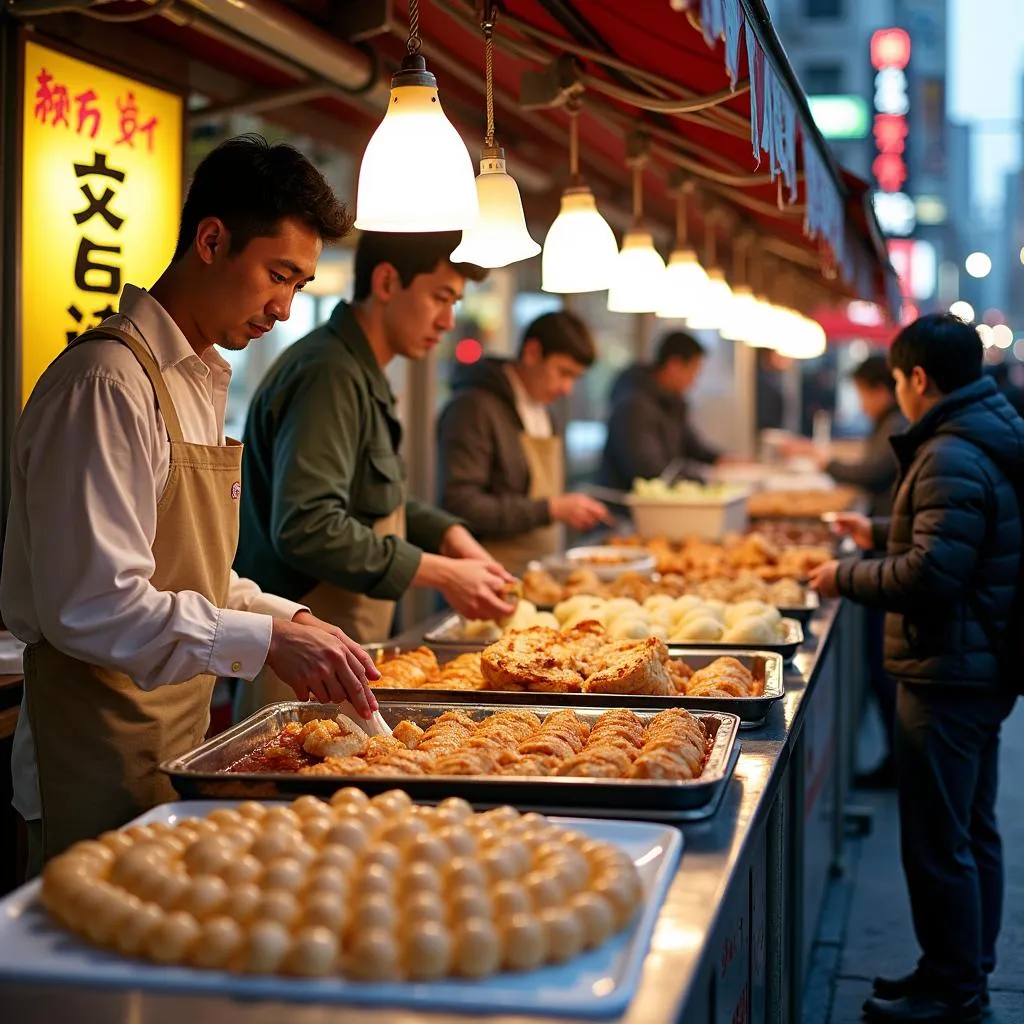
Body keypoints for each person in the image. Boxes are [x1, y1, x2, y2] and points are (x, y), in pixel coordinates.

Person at [1, 135, 380, 874]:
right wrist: (266, 644)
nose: (284, 306)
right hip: (95, 750)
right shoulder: (106, 385)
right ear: (211, 239)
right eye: (278, 275)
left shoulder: (198, 380)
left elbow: (197, 576)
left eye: (301, 285)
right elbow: (94, 605)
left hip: (177, 745)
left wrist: (290, 620)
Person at [810, 313, 1024, 1024]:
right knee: (969, 829)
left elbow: (933, 574)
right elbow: (954, 538)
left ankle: (955, 990)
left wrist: (846, 576)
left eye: (898, 379)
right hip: (972, 661)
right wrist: (873, 532)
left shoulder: (952, 450)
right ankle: (956, 968)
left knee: (941, 840)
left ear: (918, 379)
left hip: (950, 668)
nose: (898, 390)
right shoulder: (973, 434)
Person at [233, 231, 516, 717]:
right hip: (301, 672)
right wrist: (444, 574)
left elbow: (378, 498)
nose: (448, 321)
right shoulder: (330, 373)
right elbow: (309, 526)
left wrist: (450, 535)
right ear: (386, 282)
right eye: (439, 297)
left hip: (338, 664)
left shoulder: (357, 370)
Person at [436, 311, 610, 575]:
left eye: (575, 377)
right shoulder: (473, 407)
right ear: (532, 352)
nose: (567, 389)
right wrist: (550, 509)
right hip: (485, 577)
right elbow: (461, 504)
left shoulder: (545, 412)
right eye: (563, 372)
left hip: (538, 575)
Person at [783, 354, 907, 517]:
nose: (862, 406)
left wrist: (828, 464)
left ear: (880, 391)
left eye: (862, 395)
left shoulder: (896, 423)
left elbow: (874, 473)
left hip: (886, 518)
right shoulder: (888, 422)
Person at [598, 330, 721, 492]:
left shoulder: (674, 402)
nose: (694, 381)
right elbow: (648, 471)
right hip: (626, 508)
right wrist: (702, 480)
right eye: (693, 372)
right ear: (674, 365)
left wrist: (721, 459)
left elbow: (692, 445)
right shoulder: (634, 405)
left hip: (659, 505)